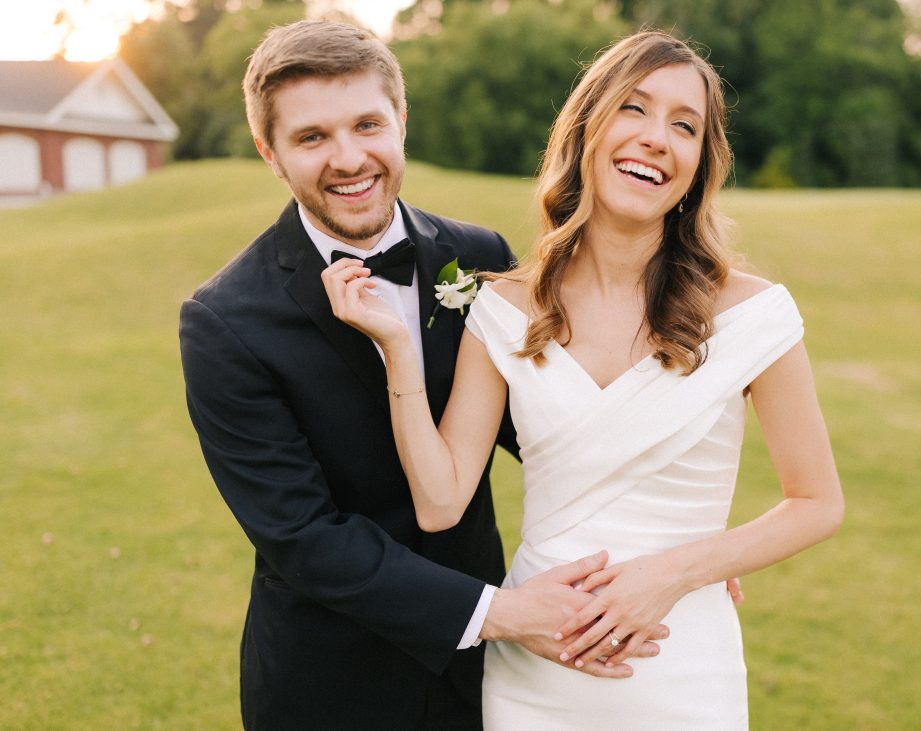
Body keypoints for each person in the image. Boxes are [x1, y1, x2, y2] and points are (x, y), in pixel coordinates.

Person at [323, 30, 845, 728]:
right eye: (634, 108)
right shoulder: (505, 309)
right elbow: (440, 501)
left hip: (682, 667)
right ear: (586, 130)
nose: (657, 137)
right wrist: (398, 348)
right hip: (537, 671)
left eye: (684, 126)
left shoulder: (753, 314)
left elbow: (816, 502)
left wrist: (677, 572)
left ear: (699, 163)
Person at [178, 20, 670, 731]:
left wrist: (663, 539)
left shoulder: (477, 256)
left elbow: (546, 428)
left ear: (401, 121)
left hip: (482, 679)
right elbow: (304, 538)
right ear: (270, 153)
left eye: (367, 124)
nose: (349, 159)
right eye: (312, 137)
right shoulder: (223, 321)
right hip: (330, 682)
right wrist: (501, 612)